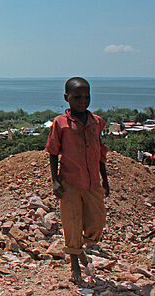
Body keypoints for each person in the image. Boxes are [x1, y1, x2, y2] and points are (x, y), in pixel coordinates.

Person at [45, 77, 110, 282]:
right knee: (72, 224)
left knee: (96, 226)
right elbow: (53, 152)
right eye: (77, 97)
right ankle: (75, 263)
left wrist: (105, 180)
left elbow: (100, 153)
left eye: (86, 96)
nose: (82, 101)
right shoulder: (60, 123)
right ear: (67, 97)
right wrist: (55, 181)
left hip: (93, 184)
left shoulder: (96, 122)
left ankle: (78, 247)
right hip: (70, 183)